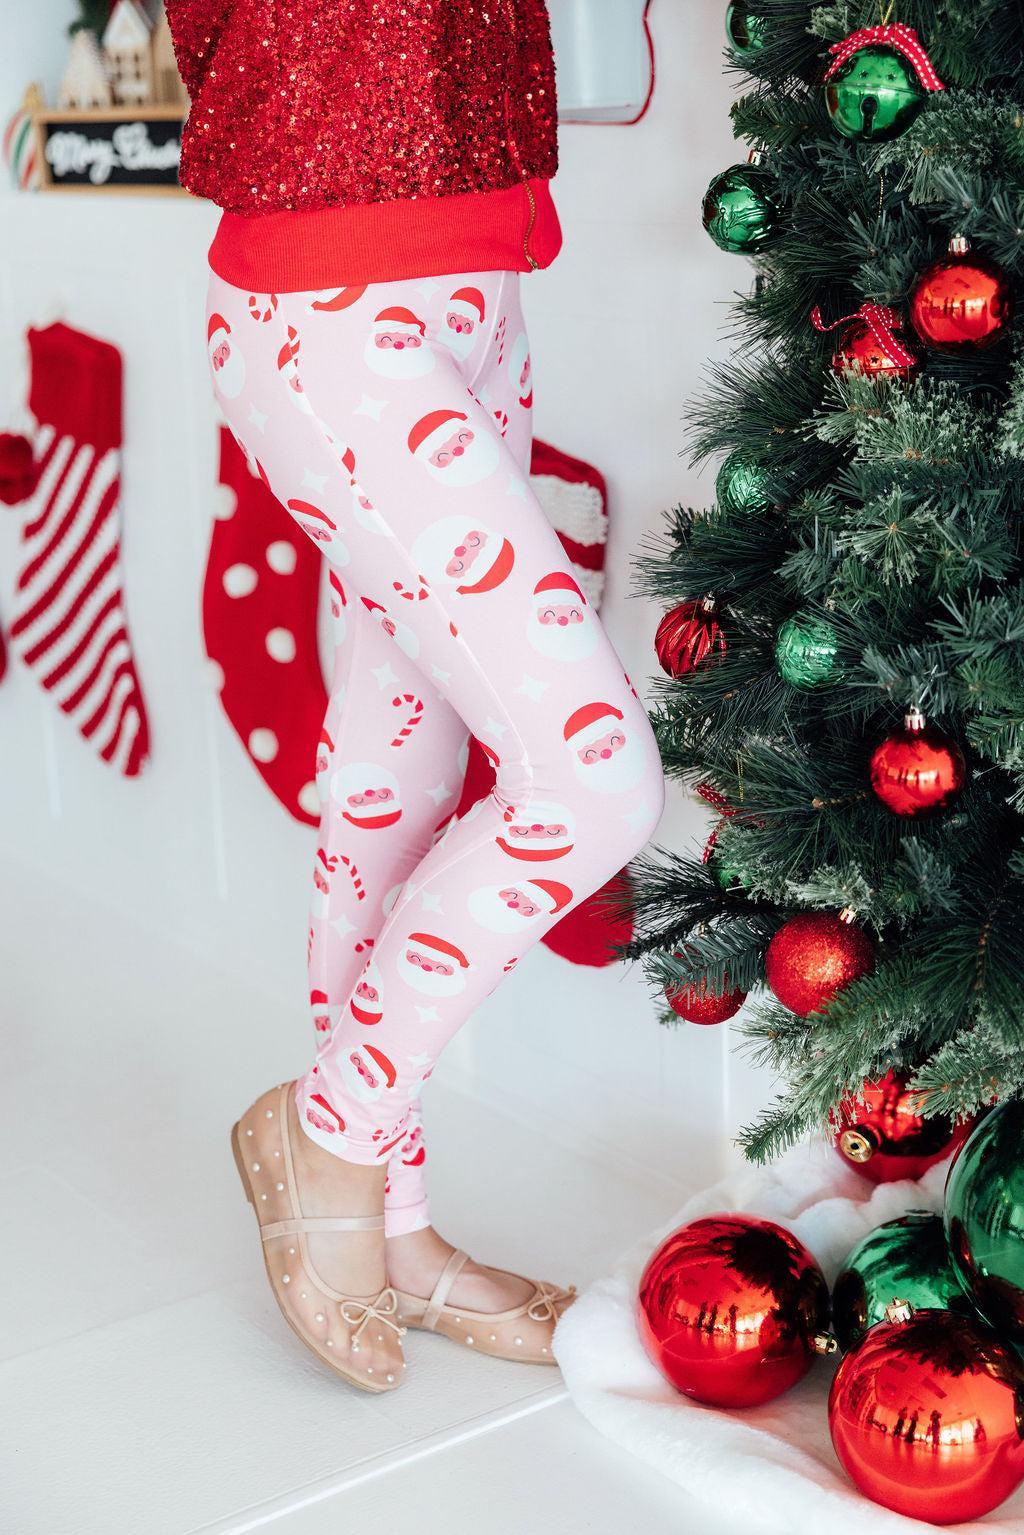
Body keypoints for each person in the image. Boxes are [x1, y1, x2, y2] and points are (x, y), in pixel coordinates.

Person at [167, 0, 665, 1393]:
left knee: (398, 778)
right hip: (330, 304)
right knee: (593, 781)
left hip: (477, 279)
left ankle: (393, 1229)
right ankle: (328, 1129)